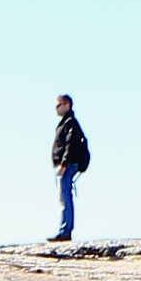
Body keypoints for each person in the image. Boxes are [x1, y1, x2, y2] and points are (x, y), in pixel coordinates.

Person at [49, 95, 90, 242]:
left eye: (58, 105)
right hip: (64, 165)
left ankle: (65, 231)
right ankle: (64, 229)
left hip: (67, 165)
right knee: (64, 198)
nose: (56, 108)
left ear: (67, 105)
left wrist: (64, 164)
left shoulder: (70, 123)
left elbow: (70, 144)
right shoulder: (66, 123)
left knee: (65, 199)